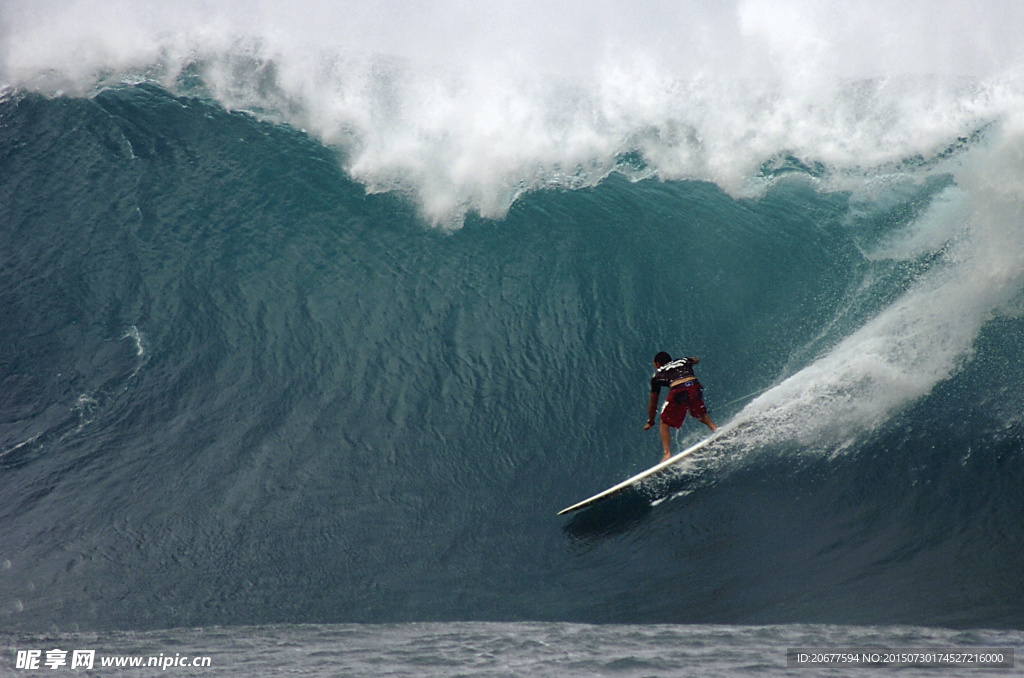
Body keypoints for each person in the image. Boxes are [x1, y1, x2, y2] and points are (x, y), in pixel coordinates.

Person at [644, 351, 716, 461]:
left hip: (679, 389)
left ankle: (666, 454)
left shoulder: (657, 375)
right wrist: (693, 361)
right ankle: (715, 429)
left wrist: (650, 421)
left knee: (664, 422)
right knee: (699, 413)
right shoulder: (682, 360)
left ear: (657, 364)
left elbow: (653, 403)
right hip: (694, 384)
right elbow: (694, 359)